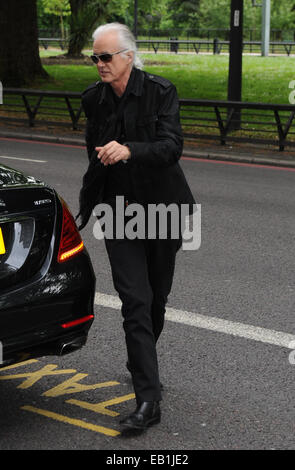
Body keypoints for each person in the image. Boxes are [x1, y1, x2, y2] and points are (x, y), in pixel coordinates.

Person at [78, 22, 196, 435]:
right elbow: (93, 154)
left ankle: (140, 361)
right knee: (135, 302)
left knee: (157, 297)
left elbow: (171, 146)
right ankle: (148, 399)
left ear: (128, 56)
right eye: (94, 57)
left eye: (105, 56)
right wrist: (87, 204)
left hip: (163, 209)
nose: (99, 64)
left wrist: (130, 150)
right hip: (119, 213)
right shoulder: (93, 99)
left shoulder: (160, 92)